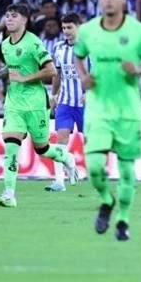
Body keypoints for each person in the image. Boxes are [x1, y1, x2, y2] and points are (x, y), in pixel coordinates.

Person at [74, 0, 141, 241]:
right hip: (98, 109)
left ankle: (123, 221)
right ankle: (105, 200)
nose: (109, 0)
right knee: (93, 166)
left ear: (124, 0)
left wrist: (138, 70)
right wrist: (83, 76)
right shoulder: (88, 31)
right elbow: (78, 55)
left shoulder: (138, 31)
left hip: (128, 111)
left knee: (126, 171)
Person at [0, 4, 77, 208]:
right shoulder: (4, 45)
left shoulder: (34, 43)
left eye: (14, 16)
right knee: (11, 146)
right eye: (7, 15)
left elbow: (51, 71)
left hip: (36, 103)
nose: (9, 19)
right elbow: (12, 67)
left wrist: (25, 77)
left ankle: (66, 156)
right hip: (14, 103)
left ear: (24, 20)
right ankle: (9, 194)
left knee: (42, 148)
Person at [46, 13, 86, 193]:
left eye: (70, 27)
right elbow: (58, 74)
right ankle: (59, 181)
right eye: (64, 28)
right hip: (65, 102)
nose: (66, 31)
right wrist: (53, 95)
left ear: (79, 27)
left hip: (86, 103)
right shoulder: (59, 47)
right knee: (60, 138)